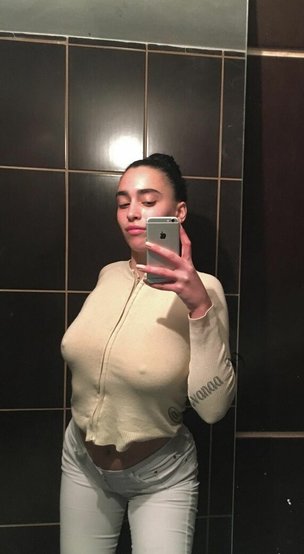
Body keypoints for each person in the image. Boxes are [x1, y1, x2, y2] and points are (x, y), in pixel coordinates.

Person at [60, 153, 236, 553]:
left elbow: (213, 409)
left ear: (179, 212)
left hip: (160, 475)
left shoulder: (205, 289)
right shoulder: (108, 275)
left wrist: (198, 306)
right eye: (123, 203)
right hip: (82, 462)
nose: (133, 213)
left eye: (148, 200)